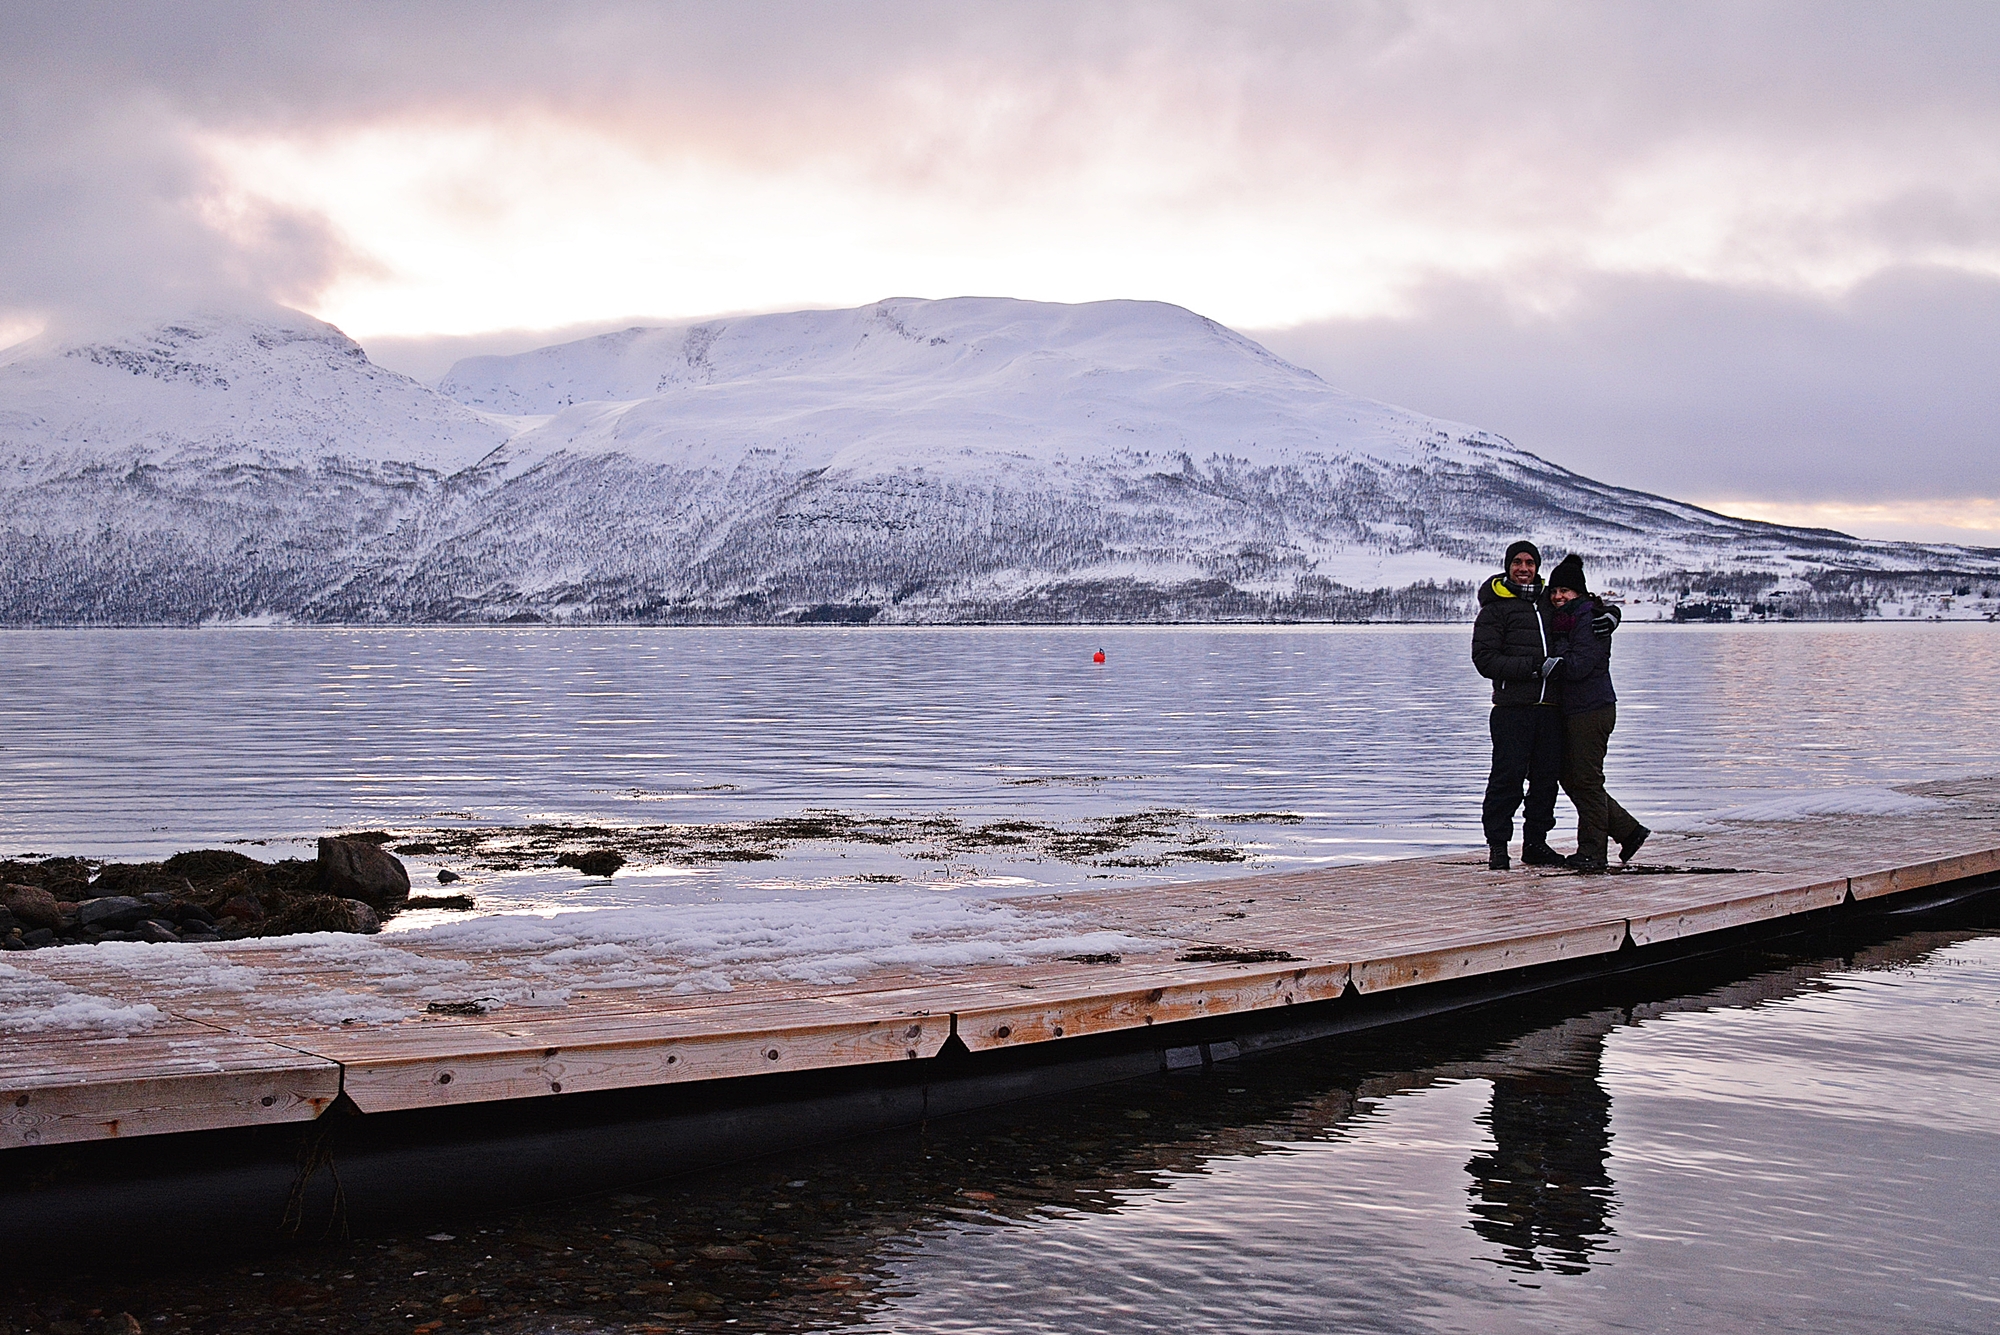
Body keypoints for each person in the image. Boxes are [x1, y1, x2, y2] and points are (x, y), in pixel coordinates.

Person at [1545, 554, 1649, 871]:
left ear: (1580, 593)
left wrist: (1554, 658)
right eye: (1555, 590)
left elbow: (1578, 666)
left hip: (1592, 709)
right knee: (1572, 777)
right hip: (1577, 710)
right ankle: (1628, 830)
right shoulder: (1568, 618)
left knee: (1586, 782)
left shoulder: (1589, 620)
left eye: (1566, 591)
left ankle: (1592, 852)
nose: (1558, 596)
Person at [1471, 540, 1566, 871]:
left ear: (1538, 567)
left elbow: (1585, 609)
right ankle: (1498, 846)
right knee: (1507, 778)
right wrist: (1533, 667)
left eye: (1530, 562)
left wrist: (1612, 614)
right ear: (1508, 566)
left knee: (1545, 779)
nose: (1524, 568)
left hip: (1550, 708)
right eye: (1517, 562)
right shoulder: (1495, 608)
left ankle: (1536, 843)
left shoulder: (1549, 603)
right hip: (1512, 708)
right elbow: (1484, 660)